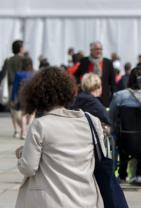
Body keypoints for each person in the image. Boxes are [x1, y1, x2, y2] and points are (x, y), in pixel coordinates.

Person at [14, 67, 105, 208]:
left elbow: (28, 168)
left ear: (36, 95)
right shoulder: (91, 121)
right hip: (87, 199)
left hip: (52, 200)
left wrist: (22, 154)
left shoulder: (40, 125)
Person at [109, 66, 141, 184]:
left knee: (118, 133)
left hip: (124, 138)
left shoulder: (119, 96)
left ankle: (122, 173)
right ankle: (140, 173)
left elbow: (111, 117)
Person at [74, 41, 115, 107]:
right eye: (96, 49)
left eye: (100, 49)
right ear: (91, 50)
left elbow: (112, 82)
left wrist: (112, 96)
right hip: (87, 95)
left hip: (103, 97)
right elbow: (76, 76)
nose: (98, 51)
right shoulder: (84, 61)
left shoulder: (108, 62)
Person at [0, 40, 25, 138]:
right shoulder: (24, 59)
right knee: (22, 109)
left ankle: (16, 130)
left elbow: (3, 73)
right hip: (22, 86)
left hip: (11, 86)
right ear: (21, 48)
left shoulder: (8, 59)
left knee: (13, 109)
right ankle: (24, 129)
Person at [10, 57, 34, 140]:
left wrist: (13, 98)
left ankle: (23, 133)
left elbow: (15, 87)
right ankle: (28, 131)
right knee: (32, 114)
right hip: (31, 96)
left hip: (21, 96)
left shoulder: (18, 74)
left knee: (23, 115)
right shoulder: (33, 74)